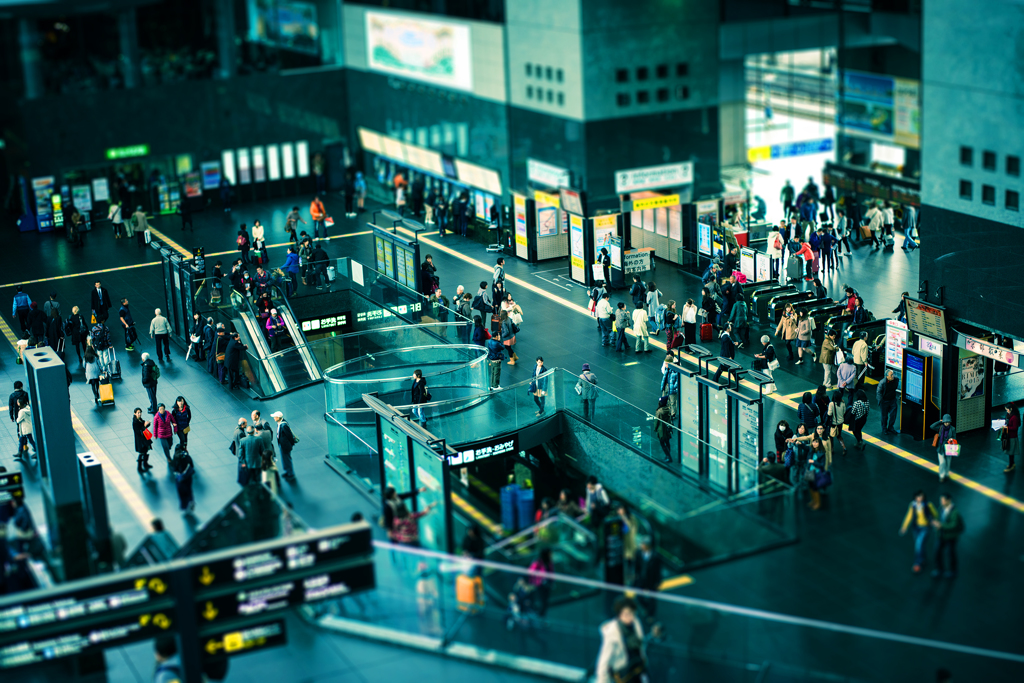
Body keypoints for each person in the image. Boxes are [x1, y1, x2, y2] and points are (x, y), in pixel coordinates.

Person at [595, 597, 651, 683]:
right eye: (626, 614)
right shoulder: (612, 634)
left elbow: (641, 645)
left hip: (638, 669)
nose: (630, 617)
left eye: (632, 613)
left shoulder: (635, 623)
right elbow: (603, 664)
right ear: (619, 615)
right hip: (624, 675)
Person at [899, 490, 938, 573]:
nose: (920, 498)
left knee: (918, 544)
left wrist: (933, 521)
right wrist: (904, 526)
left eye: (921, 496)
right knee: (920, 545)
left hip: (925, 527)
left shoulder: (928, 505)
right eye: (918, 496)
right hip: (916, 527)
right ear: (915, 497)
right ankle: (923, 559)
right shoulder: (912, 505)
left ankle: (917, 563)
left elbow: (935, 514)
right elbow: (909, 515)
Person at [932, 493, 964, 579]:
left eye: (943, 500)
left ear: (949, 500)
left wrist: (941, 525)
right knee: (937, 552)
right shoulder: (941, 508)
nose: (941, 502)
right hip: (941, 535)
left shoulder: (955, 512)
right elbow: (939, 518)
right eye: (941, 500)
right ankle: (939, 569)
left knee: (950, 554)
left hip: (951, 537)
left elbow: (954, 525)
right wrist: (936, 523)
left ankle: (953, 571)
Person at [930, 415, 957, 482]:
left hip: (949, 447)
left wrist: (952, 439)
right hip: (941, 447)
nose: (946, 423)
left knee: (948, 462)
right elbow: (932, 426)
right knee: (942, 463)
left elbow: (955, 438)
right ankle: (942, 475)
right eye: (945, 422)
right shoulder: (940, 427)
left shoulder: (952, 429)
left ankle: (947, 473)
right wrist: (939, 421)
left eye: (948, 422)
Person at [271, 411, 297, 481]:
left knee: (287, 459)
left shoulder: (283, 425)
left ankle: (290, 473)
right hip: (282, 445)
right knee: (284, 459)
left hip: (285, 446)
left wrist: (291, 444)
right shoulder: (279, 423)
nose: (274, 418)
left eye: (274, 417)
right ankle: (287, 471)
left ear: (278, 418)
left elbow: (289, 435)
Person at [876, 370, 901, 435]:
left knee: (893, 415)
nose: (893, 376)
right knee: (884, 416)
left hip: (892, 400)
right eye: (891, 375)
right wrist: (880, 401)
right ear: (886, 376)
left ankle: (891, 427)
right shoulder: (882, 382)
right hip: (884, 401)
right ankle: (884, 428)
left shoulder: (896, 379)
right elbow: (879, 392)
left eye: (893, 374)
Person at [132, 407, 153, 473]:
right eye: (138, 413)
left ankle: (145, 464)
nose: (139, 414)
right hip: (140, 441)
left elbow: (144, 425)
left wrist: (147, 424)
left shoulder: (140, 420)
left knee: (145, 451)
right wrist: (144, 426)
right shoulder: (135, 422)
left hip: (144, 439)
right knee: (141, 453)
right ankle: (140, 467)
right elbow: (138, 432)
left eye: (140, 412)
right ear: (135, 413)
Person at [826, 391, 848, 456]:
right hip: (840, 423)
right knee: (839, 435)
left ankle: (831, 449)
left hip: (833, 423)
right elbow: (844, 412)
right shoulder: (843, 403)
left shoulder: (831, 404)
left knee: (830, 436)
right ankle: (844, 447)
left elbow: (829, 414)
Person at [654, 396, 673, 463]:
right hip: (667, 430)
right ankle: (668, 455)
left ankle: (668, 457)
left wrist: (655, 428)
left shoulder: (659, 411)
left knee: (662, 443)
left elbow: (656, 421)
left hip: (661, 430)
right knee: (667, 443)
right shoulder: (668, 409)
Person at [1001, 402, 1020, 473]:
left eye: (1007, 409)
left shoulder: (1014, 417)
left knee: (1011, 452)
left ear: (1011, 409)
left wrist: (1006, 427)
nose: (1006, 411)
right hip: (1009, 436)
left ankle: (1011, 465)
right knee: (1010, 452)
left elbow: (1015, 428)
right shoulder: (1009, 415)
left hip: (1012, 437)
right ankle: (1012, 464)